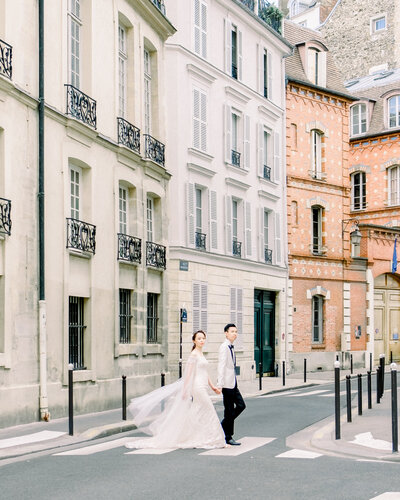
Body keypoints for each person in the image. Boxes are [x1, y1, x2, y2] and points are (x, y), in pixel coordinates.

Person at [125, 330, 226, 450]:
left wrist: (212, 386)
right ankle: (216, 438)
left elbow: (205, 372)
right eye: (199, 338)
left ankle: (190, 435)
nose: (201, 340)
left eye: (203, 338)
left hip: (203, 385)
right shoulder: (193, 354)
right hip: (197, 387)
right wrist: (185, 390)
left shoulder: (201, 354)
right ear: (194, 340)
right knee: (209, 408)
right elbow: (188, 374)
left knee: (196, 410)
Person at [217, 323, 246, 446]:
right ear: (226, 333)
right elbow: (221, 366)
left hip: (233, 383)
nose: (235, 334)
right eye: (232, 331)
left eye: (236, 331)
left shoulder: (231, 347)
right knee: (228, 411)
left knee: (241, 405)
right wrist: (220, 384)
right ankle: (228, 436)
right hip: (226, 384)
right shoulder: (224, 347)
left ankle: (221, 427)